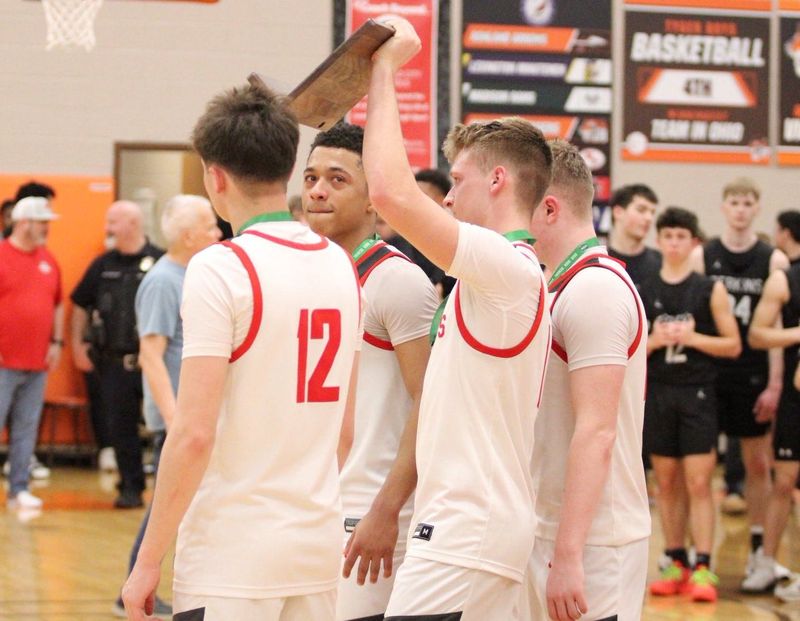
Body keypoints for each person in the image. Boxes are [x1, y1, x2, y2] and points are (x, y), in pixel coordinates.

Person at [122, 81, 362, 621]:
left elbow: (193, 433)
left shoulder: (221, 266)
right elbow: (345, 431)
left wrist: (148, 559)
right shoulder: (340, 263)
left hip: (234, 553)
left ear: (215, 175)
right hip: (316, 544)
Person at [363, 18, 552, 619]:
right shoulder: (495, 273)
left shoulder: (506, 266)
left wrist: (385, 71)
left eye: (458, 181)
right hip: (471, 522)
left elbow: (391, 195)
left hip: (469, 529)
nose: (445, 197)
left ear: (497, 180)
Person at [302, 122, 439, 621]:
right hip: (315, 504)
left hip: (373, 510)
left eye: (337, 180)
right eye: (311, 177)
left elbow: (431, 403)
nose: (318, 190)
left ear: (373, 201)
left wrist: (386, 510)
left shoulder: (397, 281)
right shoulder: (309, 275)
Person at [521, 140, 650, 621]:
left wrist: (569, 553)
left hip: (593, 541)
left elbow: (597, 430)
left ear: (548, 208)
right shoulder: (560, 283)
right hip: (552, 528)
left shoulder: (595, 288)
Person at [111, 195, 221, 618]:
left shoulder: (197, 275)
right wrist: (175, 418)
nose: (217, 232)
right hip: (177, 420)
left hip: (191, 417)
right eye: (210, 226)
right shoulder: (162, 280)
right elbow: (151, 354)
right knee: (167, 505)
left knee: (174, 504)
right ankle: (133, 590)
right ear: (189, 235)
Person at [692, 178, 789, 587]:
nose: (741, 209)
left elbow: (778, 327)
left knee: (756, 463)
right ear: (724, 206)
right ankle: (695, 557)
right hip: (711, 371)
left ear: (756, 207)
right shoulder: (704, 254)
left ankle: (757, 550)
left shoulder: (772, 258)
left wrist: (775, 383)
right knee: (698, 467)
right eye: (734, 201)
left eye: (748, 202)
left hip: (752, 373)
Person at [642, 207, 741, 603]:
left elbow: (732, 344)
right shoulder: (645, 286)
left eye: (682, 236)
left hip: (698, 393)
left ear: (694, 242)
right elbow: (633, 349)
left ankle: (704, 564)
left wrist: (694, 337)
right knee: (666, 484)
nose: (674, 243)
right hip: (660, 392)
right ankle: (674, 559)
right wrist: (655, 340)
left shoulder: (708, 288)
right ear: (659, 240)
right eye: (668, 236)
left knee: (699, 483)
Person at [70, 201, 164, 509]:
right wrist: (77, 344)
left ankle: (166, 492)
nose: (108, 227)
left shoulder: (159, 261)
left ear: (133, 224)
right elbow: (80, 304)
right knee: (120, 428)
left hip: (155, 362)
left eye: (114, 221)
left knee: (162, 425)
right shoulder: (102, 265)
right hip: (113, 361)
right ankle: (130, 488)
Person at [0, 197, 63, 510]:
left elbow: (57, 303)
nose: (46, 228)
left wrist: (57, 342)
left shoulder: (49, 261)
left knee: (26, 427)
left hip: (36, 362)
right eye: (42, 222)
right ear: (23, 222)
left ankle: (19, 488)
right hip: (3, 362)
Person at [745, 261, 800, 599]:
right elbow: (757, 335)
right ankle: (766, 563)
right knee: (783, 481)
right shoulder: (787, 279)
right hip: (795, 401)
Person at [606, 183, 660, 291]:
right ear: (618, 212)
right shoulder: (600, 262)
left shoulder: (661, 263)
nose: (649, 218)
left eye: (652, 212)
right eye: (641, 210)